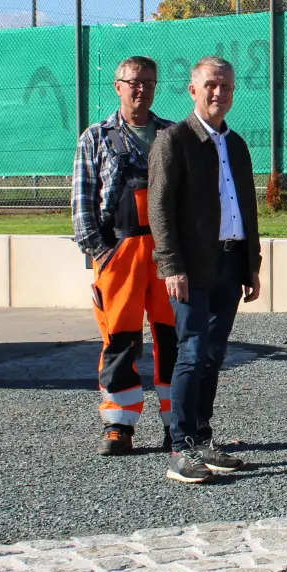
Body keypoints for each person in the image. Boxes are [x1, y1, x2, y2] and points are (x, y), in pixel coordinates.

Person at [147, 57, 263, 484]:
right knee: (192, 352)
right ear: (193, 89)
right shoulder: (173, 140)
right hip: (190, 267)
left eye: (226, 86)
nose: (219, 93)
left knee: (213, 355)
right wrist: (170, 265)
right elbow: (159, 208)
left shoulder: (237, 145)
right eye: (211, 85)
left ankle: (202, 437)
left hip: (230, 263)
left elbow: (246, 209)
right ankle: (179, 448)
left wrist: (252, 265)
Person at [72, 55, 176, 456]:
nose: (141, 89)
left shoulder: (172, 134)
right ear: (117, 86)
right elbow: (82, 203)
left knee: (173, 339)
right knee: (119, 340)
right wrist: (102, 253)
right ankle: (118, 424)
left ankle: (177, 423)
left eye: (148, 82)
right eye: (133, 82)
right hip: (120, 253)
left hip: (168, 255)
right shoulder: (96, 137)